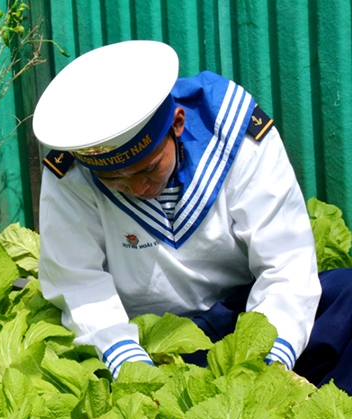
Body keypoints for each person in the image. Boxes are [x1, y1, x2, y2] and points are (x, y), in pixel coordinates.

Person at [33, 40, 352, 393]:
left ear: (178, 124)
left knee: (346, 294)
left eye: (149, 169)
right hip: (149, 341)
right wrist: (135, 371)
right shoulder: (71, 173)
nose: (138, 188)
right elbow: (78, 284)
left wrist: (265, 363)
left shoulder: (237, 136)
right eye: (114, 180)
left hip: (241, 318)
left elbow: (285, 263)